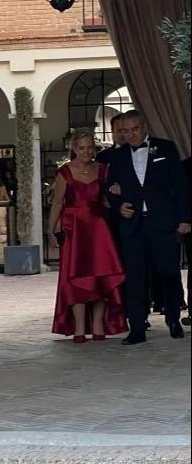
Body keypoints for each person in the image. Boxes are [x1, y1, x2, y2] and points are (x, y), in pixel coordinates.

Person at [106, 110, 191, 344]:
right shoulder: (118, 156)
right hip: (132, 226)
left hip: (163, 222)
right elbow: (109, 187)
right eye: (124, 131)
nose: (130, 134)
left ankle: (173, 319)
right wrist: (118, 205)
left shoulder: (166, 148)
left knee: (169, 273)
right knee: (135, 277)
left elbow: (180, 185)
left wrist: (185, 218)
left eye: (134, 129)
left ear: (144, 127)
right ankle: (137, 328)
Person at [48, 127, 127, 342]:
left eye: (90, 147)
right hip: (73, 227)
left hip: (99, 227)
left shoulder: (103, 169)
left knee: (100, 275)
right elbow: (57, 202)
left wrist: (117, 194)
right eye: (82, 148)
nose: (86, 152)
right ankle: (80, 327)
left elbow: (107, 201)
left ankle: (99, 324)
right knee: (75, 277)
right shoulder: (64, 171)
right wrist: (50, 230)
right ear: (74, 149)